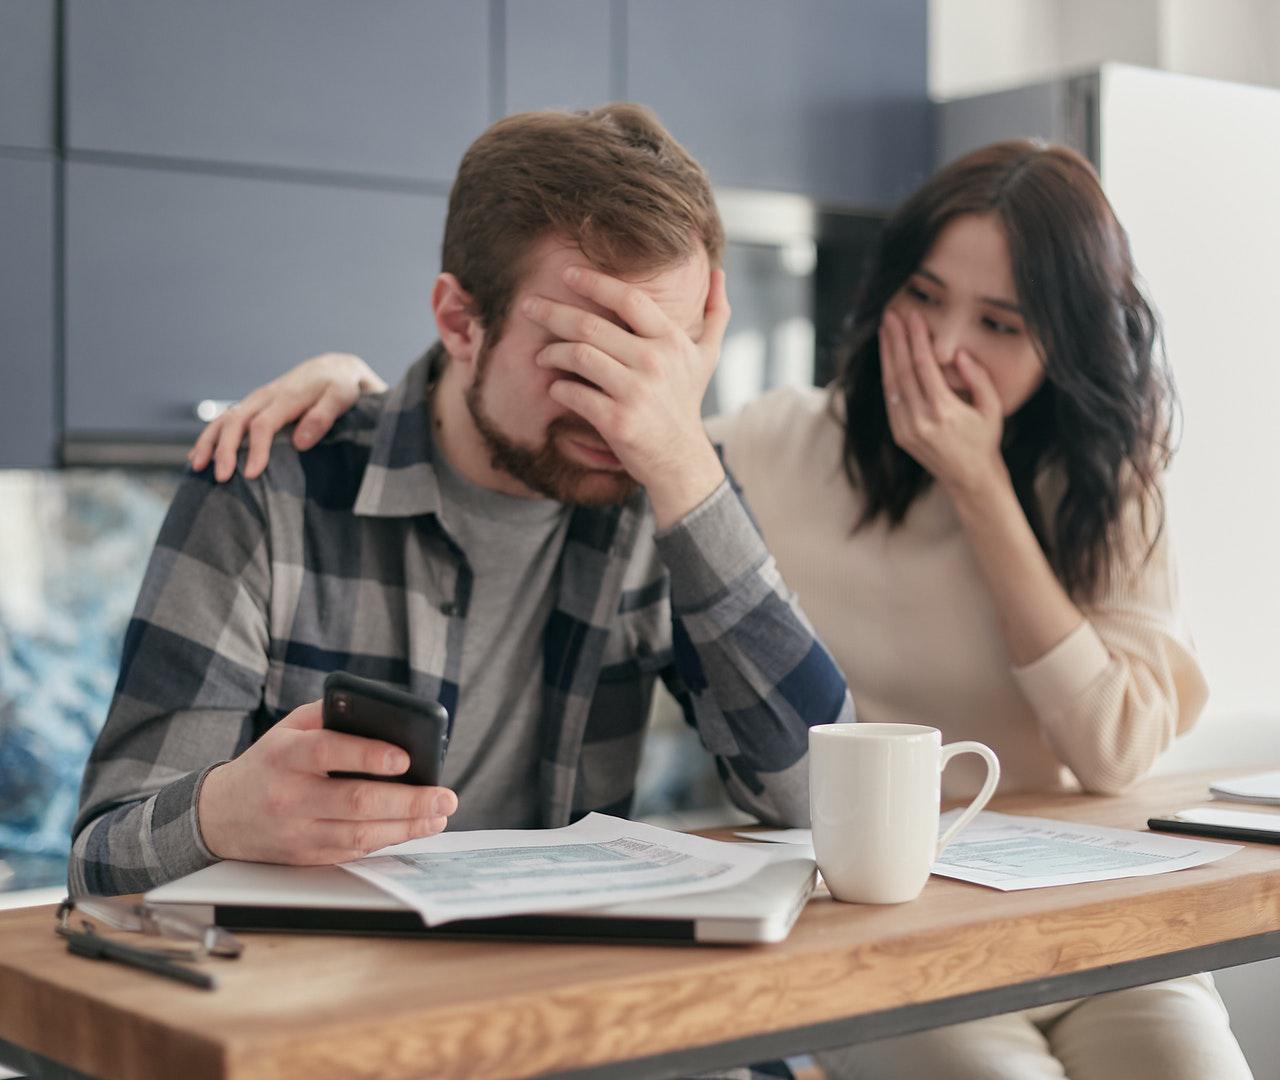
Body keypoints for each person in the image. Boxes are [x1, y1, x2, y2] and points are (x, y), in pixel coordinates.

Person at [204, 140, 1251, 1079]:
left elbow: (1112, 750)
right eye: (921, 300)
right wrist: (368, 391)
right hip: (877, 927)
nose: (939, 349)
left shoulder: (1104, 486)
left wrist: (977, 488)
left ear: (1059, 346)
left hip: (1083, 921)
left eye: (997, 324)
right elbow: (552, 418)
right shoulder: (769, 443)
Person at [71, 103, 854, 902]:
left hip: (562, 1001)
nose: (624, 411)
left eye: (657, 358)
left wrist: (686, 464)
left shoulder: (668, 485)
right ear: (460, 321)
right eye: (586, 358)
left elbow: (823, 804)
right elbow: (99, 860)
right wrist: (218, 816)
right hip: (317, 1004)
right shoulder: (271, 487)